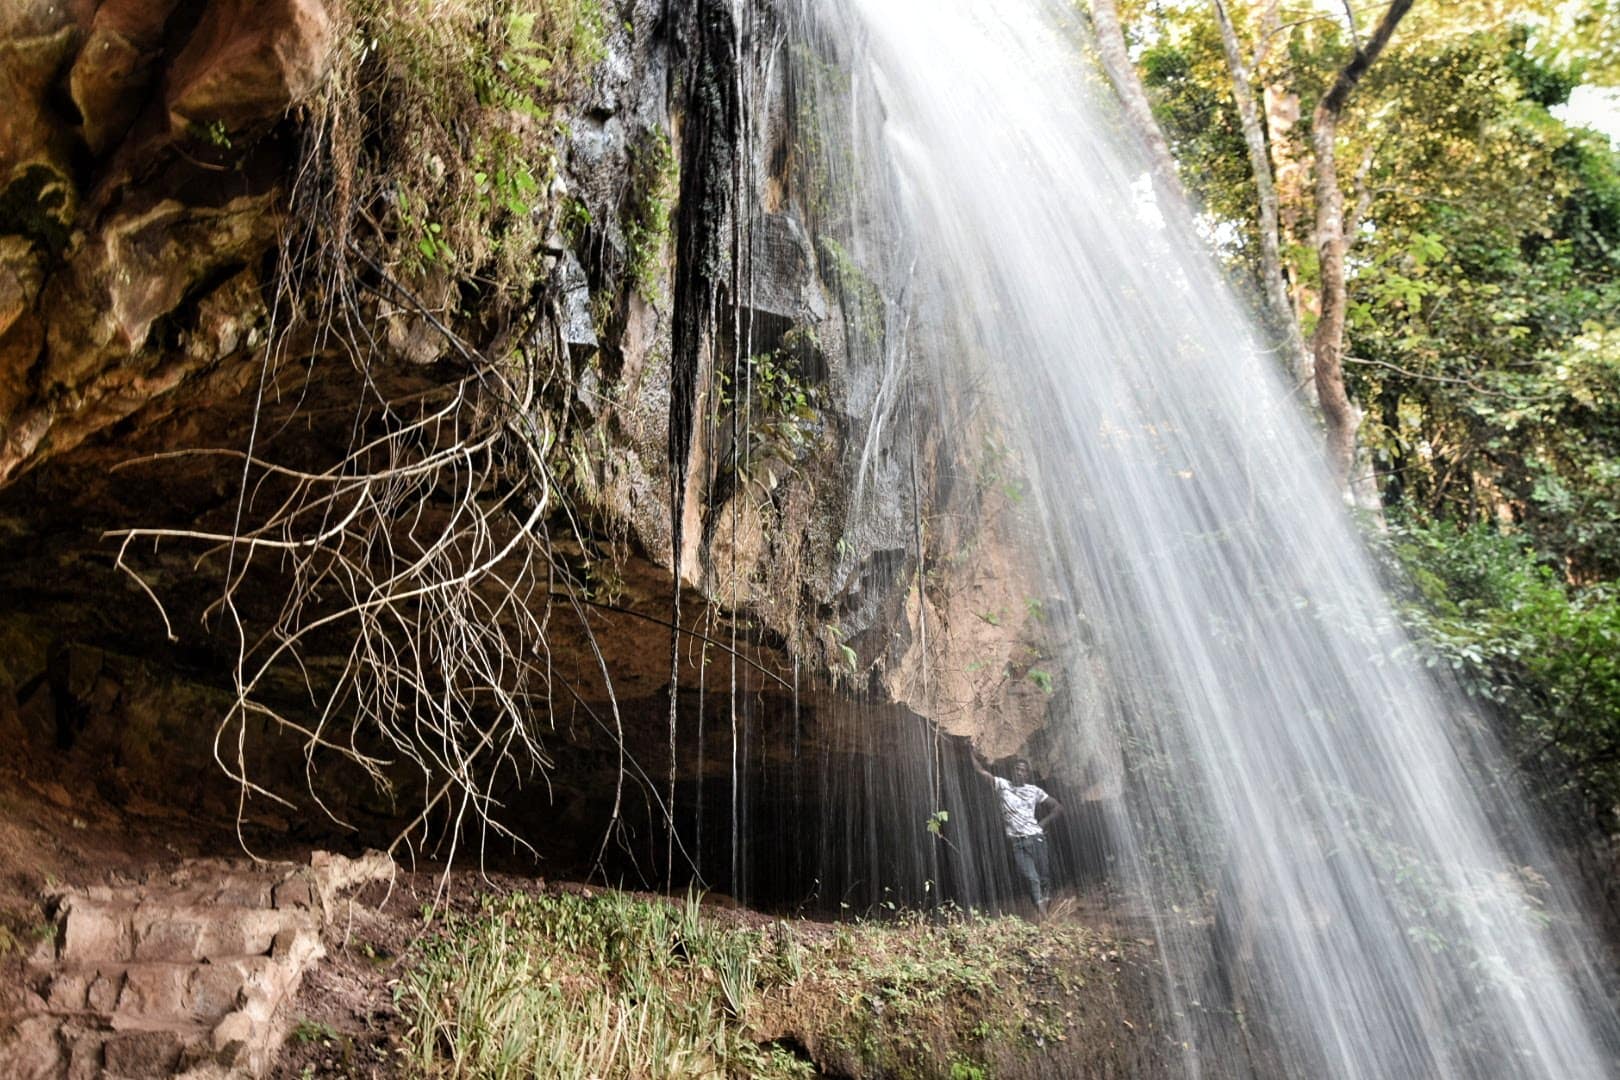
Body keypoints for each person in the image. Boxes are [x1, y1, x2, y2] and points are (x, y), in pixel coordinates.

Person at [970, 750, 1063, 918]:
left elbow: (1057, 807)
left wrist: (1042, 824)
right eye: (1017, 769)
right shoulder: (1002, 785)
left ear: (1027, 774)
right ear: (1012, 771)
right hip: (1017, 843)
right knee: (1031, 878)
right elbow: (981, 771)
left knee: (1044, 878)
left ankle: (1045, 915)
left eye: (1023, 770)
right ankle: (1046, 919)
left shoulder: (1034, 791)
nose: (1019, 772)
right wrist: (969, 751)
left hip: (1037, 838)